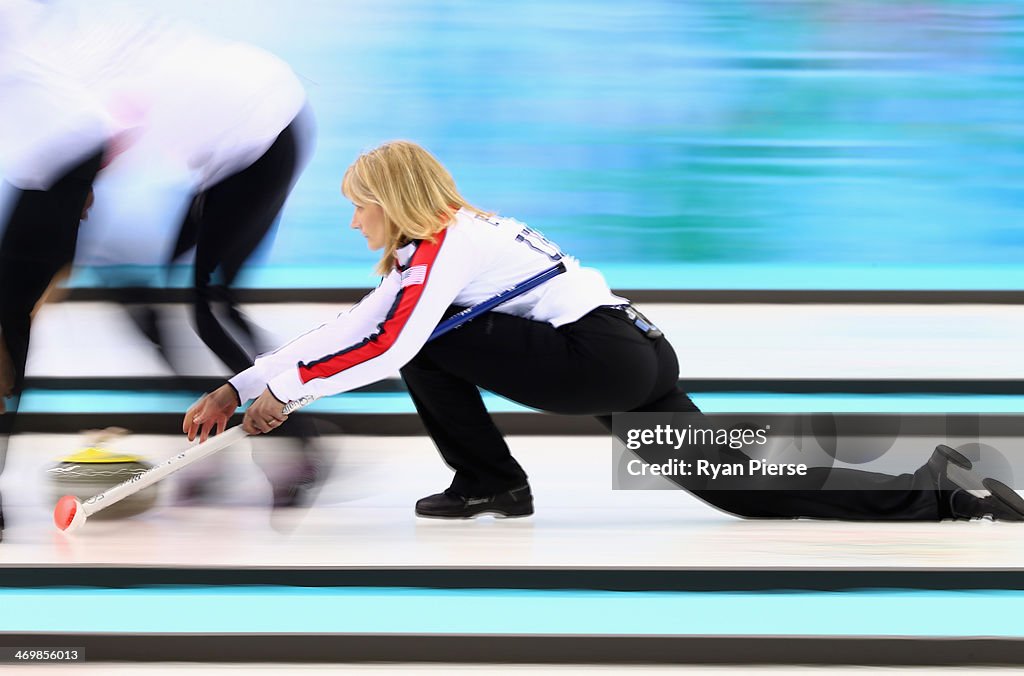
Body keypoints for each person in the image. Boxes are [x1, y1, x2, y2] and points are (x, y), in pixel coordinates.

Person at [184, 140, 1024, 522]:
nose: (354, 219)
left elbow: (393, 343)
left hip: (598, 357)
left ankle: (489, 483)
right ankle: (944, 489)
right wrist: (242, 386)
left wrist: (286, 396)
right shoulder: (436, 249)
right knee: (739, 490)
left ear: (393, 198)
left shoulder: (447, 242)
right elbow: (356, 326)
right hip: (631, 352)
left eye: (358, 203)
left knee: (427, 343)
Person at [0, 4, 323, 539]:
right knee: (158, 301)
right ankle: (214, 441)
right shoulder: (59, 67)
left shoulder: (70, 84)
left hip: (264, 137)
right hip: (231, 149)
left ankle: (304, 446)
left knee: (208, 309)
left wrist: (58, 250)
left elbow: (81, 169)